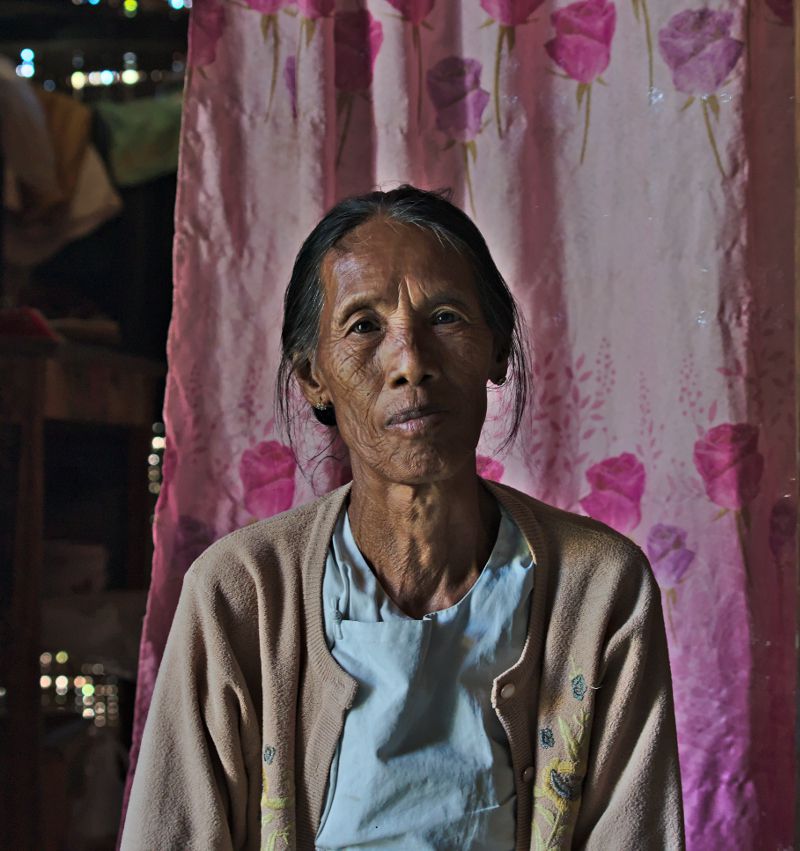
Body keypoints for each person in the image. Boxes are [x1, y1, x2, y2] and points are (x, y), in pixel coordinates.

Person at [121, 185, 684, 850]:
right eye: (364, 326)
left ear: (498, 348)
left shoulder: (598, 590)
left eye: (445, 317)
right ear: (313, 377)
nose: (410, 361)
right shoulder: (240, 597)